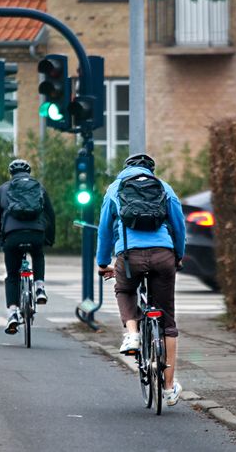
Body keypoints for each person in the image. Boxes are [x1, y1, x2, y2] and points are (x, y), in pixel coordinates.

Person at [96, 153, 186, 406]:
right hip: (163, 255)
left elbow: (104, 229)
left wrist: (103, 262)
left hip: (129, 256)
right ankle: (169, 389)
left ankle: (133, 334)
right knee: (167, 319)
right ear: (151, 171)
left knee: (124, 290)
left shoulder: (115, 189)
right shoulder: (164, 188)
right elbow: (178, 226)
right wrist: (178, 255)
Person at [0, 159, 56, 335]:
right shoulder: (39, 187)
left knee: (12, 276)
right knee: (37, 254)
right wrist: (49, 239)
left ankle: (12, 312)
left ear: (11, 173)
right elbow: (50, 214)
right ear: (29, 172)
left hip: (12, 236)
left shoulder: (3, 189)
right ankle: (40, 287)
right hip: (36, 233)